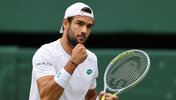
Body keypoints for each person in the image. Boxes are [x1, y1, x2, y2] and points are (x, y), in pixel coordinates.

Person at [29, 2, 118, 100]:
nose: (84, 30)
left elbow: (89, 96)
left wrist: (98, 99)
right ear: (66, 23)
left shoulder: (91, 58)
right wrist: (73, 62)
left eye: (89, 26)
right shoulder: (45, 53)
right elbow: (47, 97)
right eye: (80, 23)